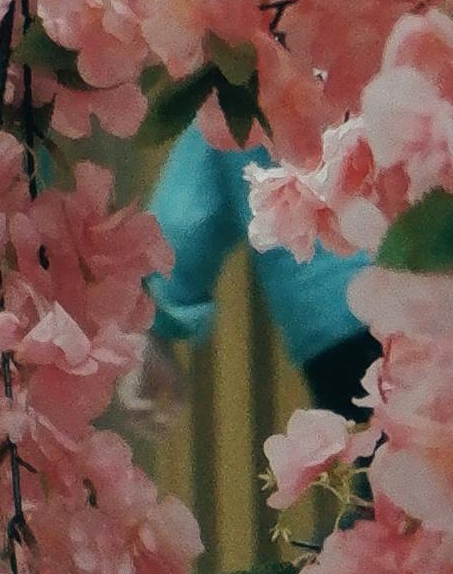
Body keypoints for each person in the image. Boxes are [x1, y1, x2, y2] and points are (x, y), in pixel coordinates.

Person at [143, 117, 376, 419]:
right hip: (436, 282)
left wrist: (155, 326)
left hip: (330, 313)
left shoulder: (235, 81)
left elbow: (183, 217)